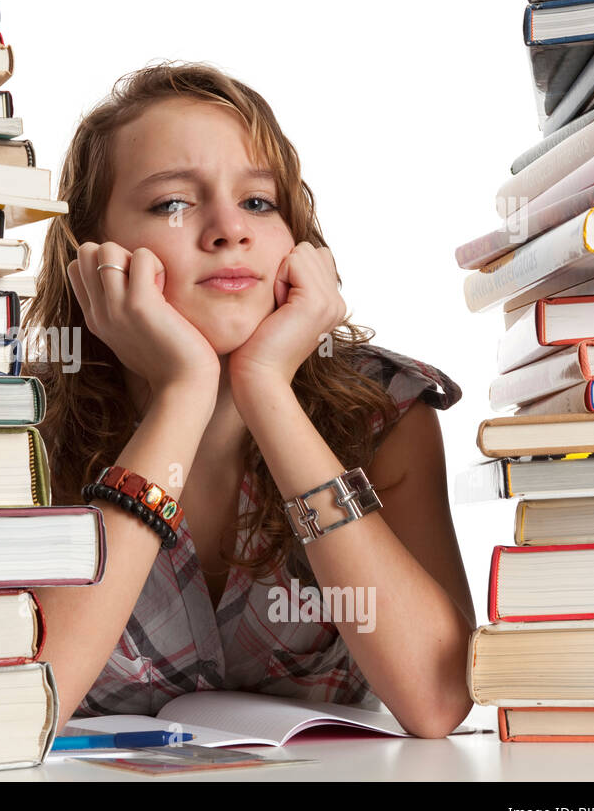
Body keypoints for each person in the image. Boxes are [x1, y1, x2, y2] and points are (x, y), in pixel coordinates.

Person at [24, 61, 476, 738]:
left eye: (258, 203)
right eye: (173, 203)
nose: (228, 230)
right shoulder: (20, 432)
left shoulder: (386, 413)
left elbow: (437, 701)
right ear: (93, 255)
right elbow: (25, 702)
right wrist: (183, 394)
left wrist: (266, 388)